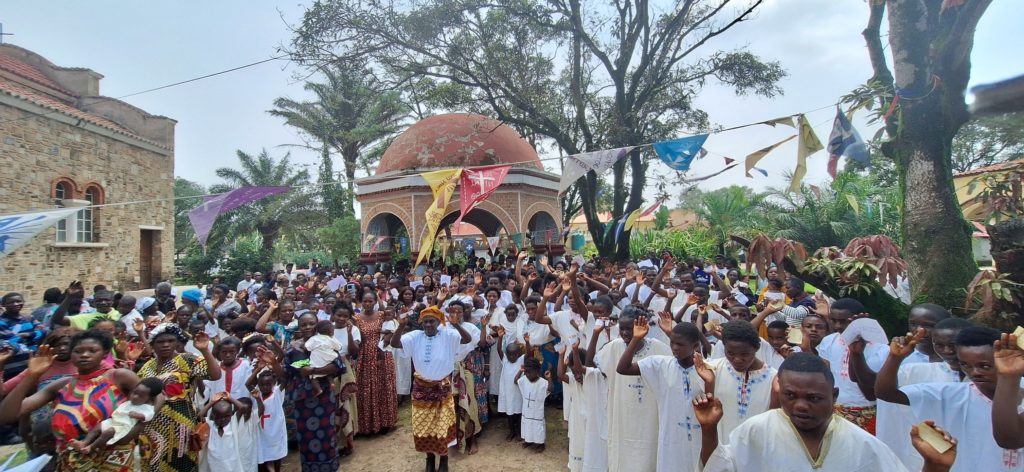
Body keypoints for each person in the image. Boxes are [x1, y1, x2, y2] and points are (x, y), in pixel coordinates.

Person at [695, 352, 909, 471]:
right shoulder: (757, 429)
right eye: (790, 395)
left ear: (833, 395)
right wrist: (708, 429)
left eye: (813, 398)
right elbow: (719, 467)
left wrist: (933, 465)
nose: (800, 405)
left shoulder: (861, 443)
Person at [876, 325, 1024, 472]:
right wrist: (894, 358)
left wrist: (1008, 376)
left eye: (984, 366)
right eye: (965, 365)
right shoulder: (949, 394)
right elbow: (885, 393)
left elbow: (1009, 439)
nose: (975, 372)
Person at [0, 331, 145, 471]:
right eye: (78, 351)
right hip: (71, 461)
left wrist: (130, 434)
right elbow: (7, 415)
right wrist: (32, 376)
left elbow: (153, 401)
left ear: (105, 354)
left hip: (113, 459)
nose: (84, 355)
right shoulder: (62, 385)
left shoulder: (119, 377)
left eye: (92, 350)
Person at [615, 316, 711, 472]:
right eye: (672, 342)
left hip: (699, 438)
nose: (674, 347)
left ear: (695, 346)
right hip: (670, 437)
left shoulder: (708, 369)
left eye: (680, 344)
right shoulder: (660, 364)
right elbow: (623, 368)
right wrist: (636, 339)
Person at [390, 305, 473, 472]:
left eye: (432, 322)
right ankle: (429, 459)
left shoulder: (448, 334)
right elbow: (394, 343)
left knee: (442, 425)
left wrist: (456, 324)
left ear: (439, 322)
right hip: (421, 389)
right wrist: (400, 325)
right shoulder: (414, 336)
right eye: (425, 322)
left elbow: (467, 339)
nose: (428, 325)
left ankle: (443, 460)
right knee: (424, 425)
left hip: (442, 388)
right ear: (421, 323)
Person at [594, 304, 672, 472]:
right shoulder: (614, 347)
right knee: (622, 454)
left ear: (643, 327)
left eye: (630, 329)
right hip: (622, 412)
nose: (625, 333)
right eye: (622, 328)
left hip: (651, 414)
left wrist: (670, 333)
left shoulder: (659, 348)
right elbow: (596, 365)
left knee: (650, 452)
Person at [138, 323, 221, 472]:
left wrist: (204, 350)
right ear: (153, 345)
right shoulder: (147, 367)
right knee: (152, 464)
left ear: (177, 342)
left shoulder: (188, 360)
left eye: (170, 341)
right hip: (151, 426)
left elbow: (215, 375)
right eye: (160, 342)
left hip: (181, 427)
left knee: (181, 464)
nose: (166, 345)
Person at [283, 312, 346, 471]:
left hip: (323, 395)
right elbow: (286, 374)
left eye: (311, 323)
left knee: (326, 433)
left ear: (317, 324)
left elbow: (339, 365)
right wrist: (272, 361)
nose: (307, 327)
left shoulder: (324, 341)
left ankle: (330, 467)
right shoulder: (292, 347)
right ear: (299, 326)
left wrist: (313, 370)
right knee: (305, 437)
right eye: (303, 324)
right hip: (301, 399)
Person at [816, 298, 883, 433]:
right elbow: (825, 377)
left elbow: (871, 393)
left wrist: (856, 353)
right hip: (835, 409)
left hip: (868, 410)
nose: (837, 326)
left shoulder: (880, 348)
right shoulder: (829, 341)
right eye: (833, 320)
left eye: (843, 321)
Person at [705, 320, 778, 442]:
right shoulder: (711, 369)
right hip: (721, 450)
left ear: (757, 348)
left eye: (744, 354)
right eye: (730, 353)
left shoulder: (774, 379)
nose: (737, 359)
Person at [68, 377, 163, 454]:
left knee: (108, 432)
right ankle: (84, 442)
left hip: (122, 427)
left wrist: (139, 415)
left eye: (140, 396)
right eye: (134, 392)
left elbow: (148, 416)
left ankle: (90, 448)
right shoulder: (130, 402)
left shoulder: (147, 408)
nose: (134, 396)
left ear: (149, 398)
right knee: (98, 427)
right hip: (113, 421)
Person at [353, 291, 398, 434]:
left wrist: (388, 336)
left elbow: (392, 326)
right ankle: (367, 425)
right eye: (365, 301)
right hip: (364, 355)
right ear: (361, 302)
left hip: (381, 354)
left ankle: (385, 422)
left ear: (375, 302)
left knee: (383, 386)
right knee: (366, 389)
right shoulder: (356, 318)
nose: (367, 304)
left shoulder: (382, 315)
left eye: (370, 301)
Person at [0, 292, 47, 379]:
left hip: (32, 365)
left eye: (19, 301)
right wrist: (35, 334)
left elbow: (45, 331)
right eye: (11, 302)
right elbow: (12, 343)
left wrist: (26, 335)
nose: (16, 304)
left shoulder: (29, 318)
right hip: (12, 368)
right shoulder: (1, 322)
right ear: (3, 304)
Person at [495, 325, 527, 441]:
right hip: (507, 392)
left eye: (514, 354)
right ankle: (511, 432)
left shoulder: (521, 360)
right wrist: (500, 338)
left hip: (518, 392)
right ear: (506, 354)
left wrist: (527, 342)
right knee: (509, 413)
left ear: (518, 354)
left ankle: (518, 432)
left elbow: (528, 353)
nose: (512, 356)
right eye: (510, 354)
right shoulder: (505, 361)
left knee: (518, 413)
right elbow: (499, 350)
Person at [514, 357, 552, 452]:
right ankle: (528, 440)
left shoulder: (543, 383)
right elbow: (515, 381)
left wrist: (549, 378)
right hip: (527, 411)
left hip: (537, 412)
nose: (527, 374)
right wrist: (520, 370)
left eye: (530, 372)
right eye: (526, 372)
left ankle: (540, 444)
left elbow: (551, 389)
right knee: (527, 425)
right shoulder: (524, 380)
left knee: (537, 427)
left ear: (537, 371)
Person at [204, 336, 252, 401]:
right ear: (219, 352)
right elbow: (207, 388)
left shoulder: (245, 365)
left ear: (237, 351)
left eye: (231, 352)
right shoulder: (215, 368)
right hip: (219, 406)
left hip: (241, 405)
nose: (228, 355)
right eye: (224, 352)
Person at [305, 320, 342, 397]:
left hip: (317, 362)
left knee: (313, 376)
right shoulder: (331, 339)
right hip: (329, 360)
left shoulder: (314, 338)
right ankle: (332, 383)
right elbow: (339, 347)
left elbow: (307, 347)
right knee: (329, 374)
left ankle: (318, 389)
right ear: (331, 332)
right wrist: (333, 338)